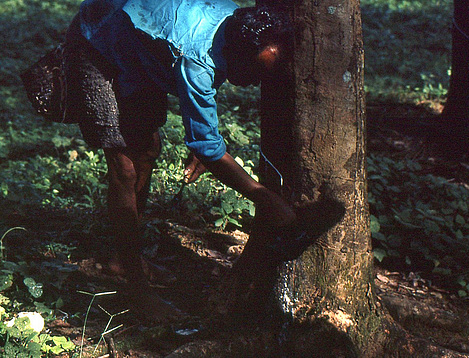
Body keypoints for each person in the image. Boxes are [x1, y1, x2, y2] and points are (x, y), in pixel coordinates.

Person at [64, 0, 298, 320]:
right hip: (96, 41)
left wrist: (203, 140)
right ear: (237, 54)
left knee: (145, 152)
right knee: (125, 169)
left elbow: (204, 133)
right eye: (257, 71)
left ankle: (123, 257)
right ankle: (138, 294)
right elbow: (207, 145)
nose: (259, 82)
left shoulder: (233, 21)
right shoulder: (196, 61)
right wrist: (263, 197)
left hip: (138, 47)